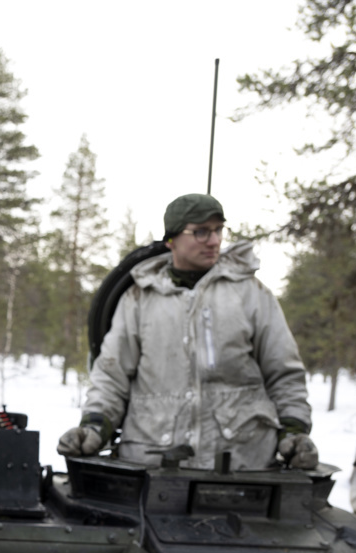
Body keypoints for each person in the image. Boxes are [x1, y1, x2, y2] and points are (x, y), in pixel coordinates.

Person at [58, 194, 318, 471]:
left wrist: (293, 430)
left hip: (241, 467)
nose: (214, 240)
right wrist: (95, 425)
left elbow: (284, 373)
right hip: (152, 466)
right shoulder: (139, 298)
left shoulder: (251, 294)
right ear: (171, 240)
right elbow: (111, 376)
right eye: (201, 232)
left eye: (218, 230)